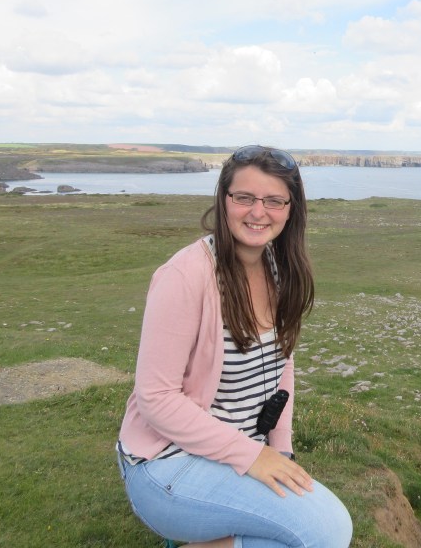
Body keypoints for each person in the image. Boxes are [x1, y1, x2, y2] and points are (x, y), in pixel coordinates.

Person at [116, 145, 352, 548]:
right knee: (327, 531)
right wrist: (252, 456)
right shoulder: (185, 276)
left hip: (235, 456)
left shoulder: (279, 268)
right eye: (244, 197)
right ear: (224, 200)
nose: (257, 212)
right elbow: (155, 398)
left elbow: (283, 368)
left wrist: (281, 451)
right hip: (166, 464)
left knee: (313, 533)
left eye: (273, 200)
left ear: (291, 208)